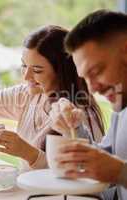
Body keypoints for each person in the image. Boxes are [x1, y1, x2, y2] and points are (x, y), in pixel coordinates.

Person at [0, 25, 104, 172]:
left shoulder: (78, 115)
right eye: (24, 65)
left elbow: (82, 174)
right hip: (29, 191)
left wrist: (29, 153)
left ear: (61, 71)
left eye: (37, 70)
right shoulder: (29, 94)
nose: (26, 76)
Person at [50, 10, 127, 200]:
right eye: (85, 78)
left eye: (96, 71)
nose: (92, 89)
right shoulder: (120, 104)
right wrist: (73, 129)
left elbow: (116, 169)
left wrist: (120, 172)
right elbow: (109, 159)